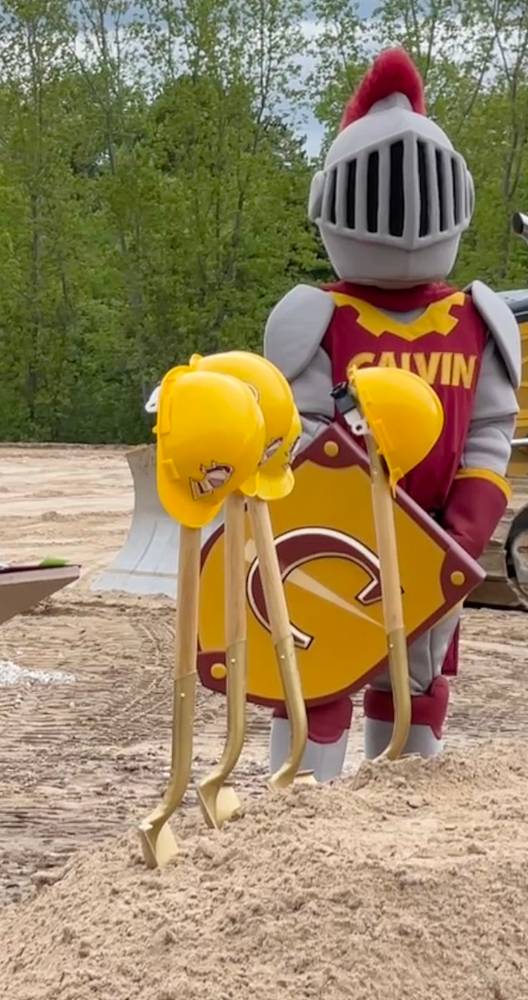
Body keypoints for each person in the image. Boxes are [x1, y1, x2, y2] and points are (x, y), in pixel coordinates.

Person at [262, 47, 520, 780]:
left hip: (437, 543)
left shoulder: (477, 318)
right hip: (331, 542)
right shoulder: (315, 316)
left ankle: (399, 805)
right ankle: (299, 806)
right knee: (317, 669)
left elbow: (487, 436)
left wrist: (463, 532)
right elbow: (302, 433)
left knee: (418, 679)